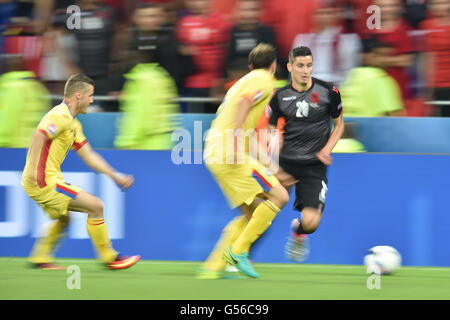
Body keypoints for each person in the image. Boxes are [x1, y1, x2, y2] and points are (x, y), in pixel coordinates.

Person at [22, 73, 141, 270]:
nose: (92, 100)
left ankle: (39, 258)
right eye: (90, 95)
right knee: (95, 206)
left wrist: (115, 176)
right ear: (78, 95)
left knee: (64, 218)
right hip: (44, 181)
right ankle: (110, 257)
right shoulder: (59, 116)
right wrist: (35, 171)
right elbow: (38, 136)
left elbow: (89, 155)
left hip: (45, 179)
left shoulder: (73, 124)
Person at [199, 43, 291, 279]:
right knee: (279, 196)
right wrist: (234, 141)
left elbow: (248, 134)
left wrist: (272, 168)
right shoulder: (263, 80)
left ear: (250, 66)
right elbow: (245, 103)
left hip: (214, 150)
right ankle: (237, 253)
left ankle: (213, 268)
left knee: (251, 214)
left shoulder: (241, 83)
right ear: (273, 66)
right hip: (229, 152)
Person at [266, 46, 344, 262]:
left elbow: (339, 126)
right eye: (300, 65)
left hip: (314, 166)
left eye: (309, 65)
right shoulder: (279, 96)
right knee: (264, 211)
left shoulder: (329, 92)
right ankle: (244, 255)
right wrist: (274, 155)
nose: (305, 70)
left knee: (311, 223)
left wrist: (327, 149)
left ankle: (298, 232)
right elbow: (271, 130)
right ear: (290, 67)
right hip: (286, 163)